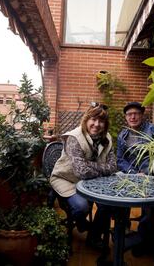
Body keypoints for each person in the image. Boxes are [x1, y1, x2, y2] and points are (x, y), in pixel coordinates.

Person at [50, 102, 116, 249]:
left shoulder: (107, 139)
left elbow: (112, 167)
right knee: (81, 207)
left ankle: (93, 236)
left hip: (93, 181)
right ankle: (82, 223)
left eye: (101, 121)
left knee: (107, 204)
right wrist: (101, 168)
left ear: (106, 124)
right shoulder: (74, 137)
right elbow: (81, 171)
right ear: (86, 120)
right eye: (93, 119)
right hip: (67, 178)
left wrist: (89, 165)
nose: (97, 124)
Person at [116, 101, 154, 256]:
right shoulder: (123, 135)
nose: (133, 116)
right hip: (132, 177)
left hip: (152, 178)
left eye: (136, 113)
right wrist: (133, 172)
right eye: (129, 114)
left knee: (150, 208)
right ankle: (124, 231)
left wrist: (149, 172)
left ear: (142, 115)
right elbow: (120, 159)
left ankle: (143, 240)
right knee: (118, 200)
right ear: (126, 117)